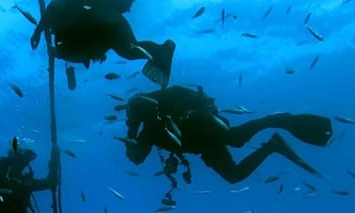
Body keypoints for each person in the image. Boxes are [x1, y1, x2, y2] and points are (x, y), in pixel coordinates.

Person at [119, 85, 332, 199]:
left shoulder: (162, 110)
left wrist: (132, 129)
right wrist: (131, 132)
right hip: (203, 147)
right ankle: (273, 146)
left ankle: (274, 121)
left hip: (205, 128)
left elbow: (136, 156)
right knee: (233, 175)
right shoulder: (148, 131)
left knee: (236, 139)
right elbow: (137, 158)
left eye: (133, 114)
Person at [29, 0, 176, 88]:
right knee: (131, 49)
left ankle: (162, 51)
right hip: (112, 22)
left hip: (105, 22)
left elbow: (54, 9)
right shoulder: (79, 6)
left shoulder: (68, 19)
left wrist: (38, 32)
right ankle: (163, 50)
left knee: (129, 50)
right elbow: (89, 46)